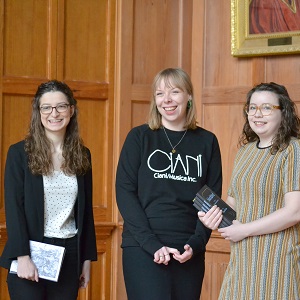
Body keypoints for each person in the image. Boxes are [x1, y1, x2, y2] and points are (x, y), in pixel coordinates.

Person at [115, 67, 222, 299]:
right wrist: (152, 244)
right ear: (155, 100)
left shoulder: (207, 141)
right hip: (143, 247)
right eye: (160, 94)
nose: (167, 100)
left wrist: (195, 244)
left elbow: (210, 200)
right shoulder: (140, 137)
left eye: (175, 92)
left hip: (188, 250)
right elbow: (124, 192)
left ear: (189, 97)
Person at [198, 82, 300, 300]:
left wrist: (245, 230)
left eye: (266, 108)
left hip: (276, 262)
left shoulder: (293, 150)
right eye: (252, 108)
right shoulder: (245, 152)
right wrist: (212, 217)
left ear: (284, 112)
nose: (257, 114)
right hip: (241, 260)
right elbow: (233, 204)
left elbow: (294, 212)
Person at [0, 80, 97, 300]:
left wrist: (86, 260)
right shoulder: (19, 154)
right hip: (30, 253)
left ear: (71, 110)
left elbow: (85, 212)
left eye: (61, 106)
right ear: (38, 111)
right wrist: (22, 256)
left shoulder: (83, 155)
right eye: (46, 107)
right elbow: (14, 209)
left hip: (69, 254)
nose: (54, 113)